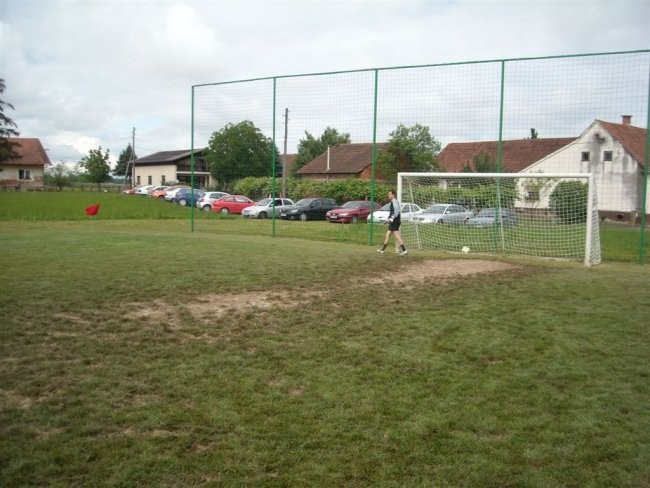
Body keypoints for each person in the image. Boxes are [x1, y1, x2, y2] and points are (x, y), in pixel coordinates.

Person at [377, 190, 407, 256]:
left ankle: (404, 250)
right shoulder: (392, 202)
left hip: (395, 221)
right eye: (388, 194)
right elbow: (392, 213)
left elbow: (397, 211)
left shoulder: (394, 201)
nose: (388, 195)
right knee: (387, 235)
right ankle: (382, 250)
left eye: (390, 194)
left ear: (393, 195)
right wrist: (388, 220)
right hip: (393, 221)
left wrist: (392, 218)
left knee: (397, 236)